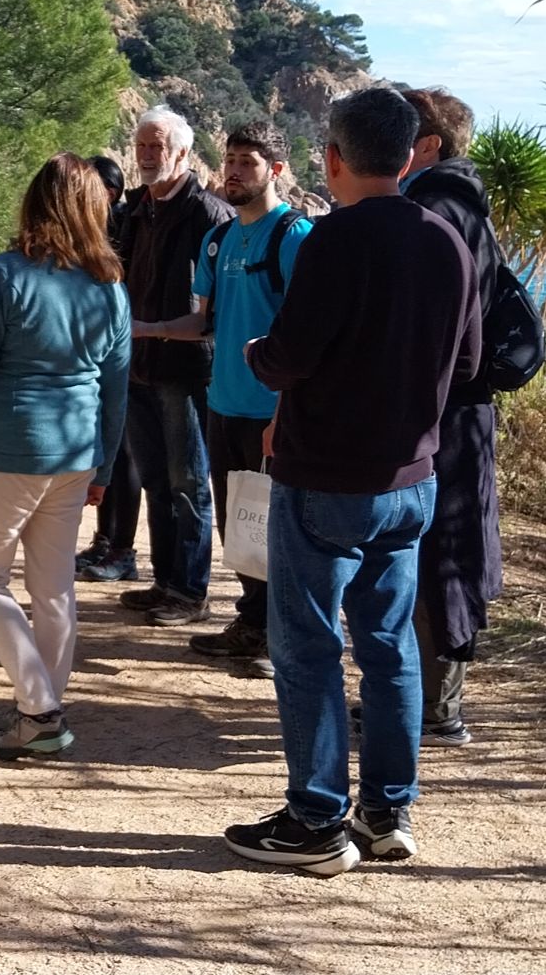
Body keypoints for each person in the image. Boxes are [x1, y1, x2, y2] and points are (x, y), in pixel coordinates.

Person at [225, 87, 481, 876]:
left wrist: (257, 354)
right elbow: (470, 362)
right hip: (412, 480)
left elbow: (289, 356)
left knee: (306, 645)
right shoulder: (448, 239)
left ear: (333, 158)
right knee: (389, 644)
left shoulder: (335, 240)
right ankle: (387, 811)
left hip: (327, 477)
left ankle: (315, 821)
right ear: (408, 155)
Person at [0, 153, 130, 760]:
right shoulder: (111, 286)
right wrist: (104, 467)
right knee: (54, 589)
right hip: (75, 453)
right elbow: (116, 388)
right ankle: (37, 707)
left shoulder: (6, 276)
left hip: (9, 450)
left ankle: (40, 709)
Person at [132, 122, 313, 676]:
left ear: (274, 171)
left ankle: (279, 640)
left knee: (276, 531)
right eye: (230, 160)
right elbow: (205, 322)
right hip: (223, 404)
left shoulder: (295, 237)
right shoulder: (221, 239)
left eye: (247, 162)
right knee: (239, 528)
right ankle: (252, 624)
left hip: (271, 412)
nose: (233, 171)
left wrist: (284, 413)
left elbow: (307, 335)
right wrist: (148, 328)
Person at [392, 87, 504, 747]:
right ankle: (431, 702)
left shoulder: (435, 210)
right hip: (459, 410)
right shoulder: (461, 204)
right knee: (443, 553)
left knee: (437, 555)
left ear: (428, 145)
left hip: (444, 414)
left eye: (403, 133)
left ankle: (434, 708)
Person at [118, 106, 231, 627]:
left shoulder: (209, 214)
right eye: (141, 145)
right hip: (138, 365)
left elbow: (217, 310)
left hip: (186, 370)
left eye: (156, 146)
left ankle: (189, 592)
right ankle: (165, 582)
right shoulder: (138, 209)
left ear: (183, 153)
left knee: (188, 484)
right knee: (156, 482)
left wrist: (154, 329)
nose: (146, 155)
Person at [75, 153, 143, 583]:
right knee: (108, 449)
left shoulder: (123, 229)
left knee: (124, 451)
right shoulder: (94, 230)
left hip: (124, 349)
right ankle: (104, 541)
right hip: (106, 348)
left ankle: (122, 549)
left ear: (111, 192)